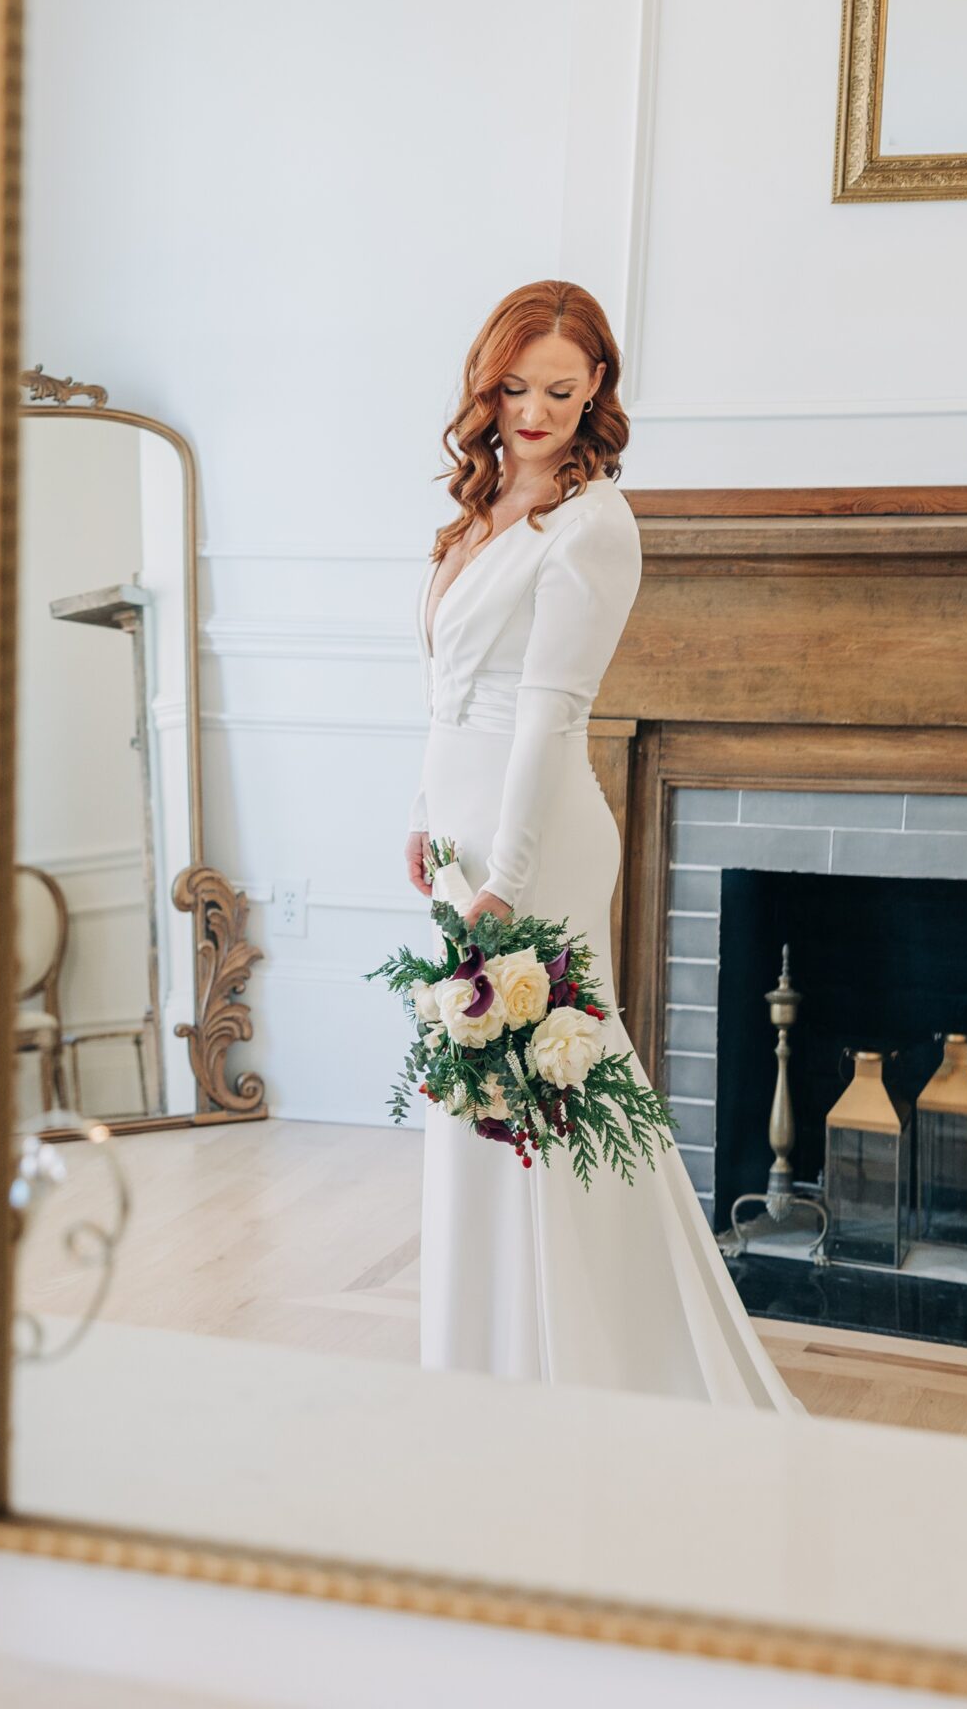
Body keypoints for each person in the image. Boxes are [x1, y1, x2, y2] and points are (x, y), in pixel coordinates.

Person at [406, 280, 797, 1411]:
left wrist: (509, 880)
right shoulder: (476, 504)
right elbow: (447, 694)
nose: (534, 411)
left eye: (561, 390)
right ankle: (480, 1355)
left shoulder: (594, 522)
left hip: (534, 846)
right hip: (460, 842)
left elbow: (546, 713)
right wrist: (426, 819)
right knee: (472, 1090)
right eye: (514, 386)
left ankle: (592, 1357)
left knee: (553, 1093)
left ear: (599, 392)